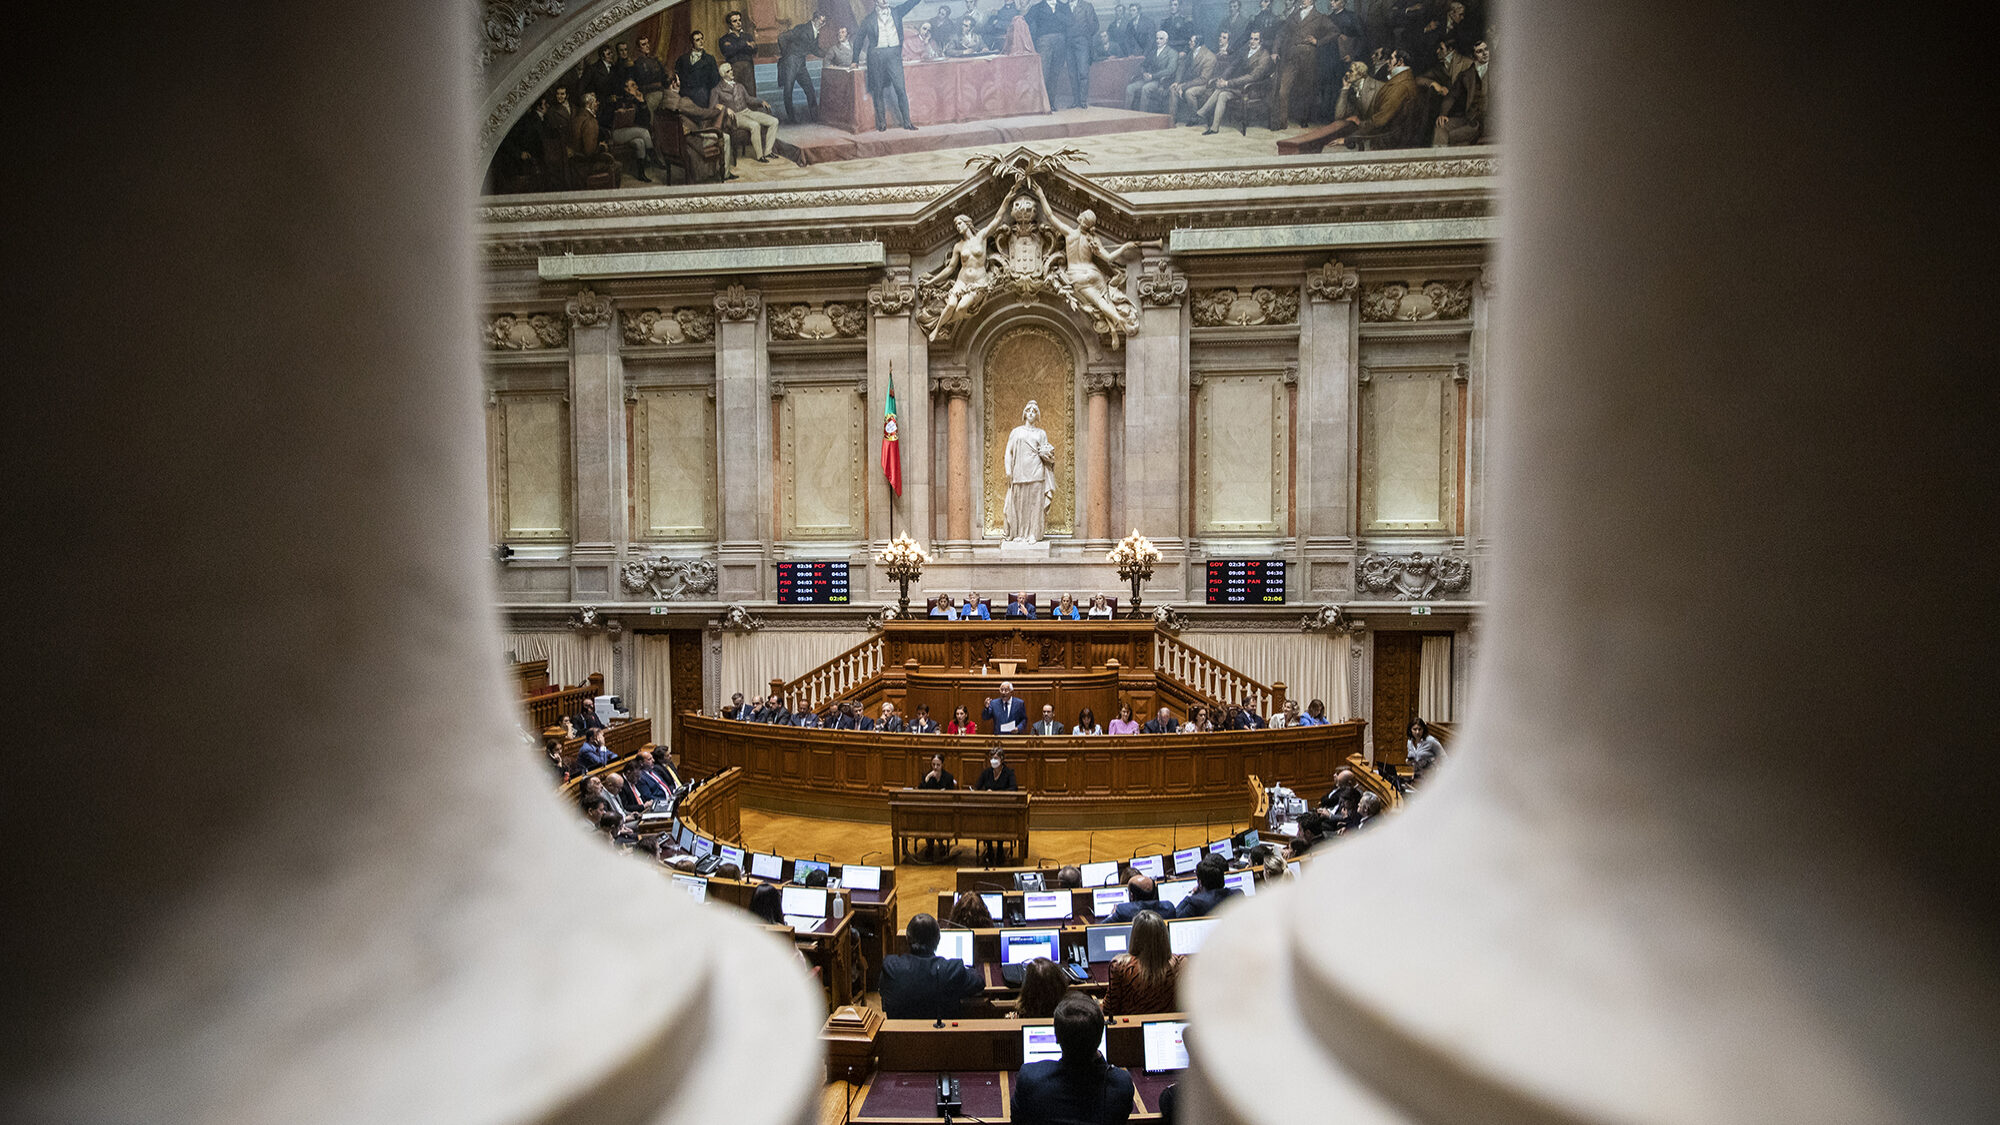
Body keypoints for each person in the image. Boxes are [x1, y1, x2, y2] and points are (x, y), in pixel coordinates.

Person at [1013, 993, 1134, 1125]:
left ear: (1057, 1038)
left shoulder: (1030, 1078)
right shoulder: (1121, 1084)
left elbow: (1017, 1120)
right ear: (1100, 1037)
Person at [879, 914, 984, 1019]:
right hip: (943, 1034)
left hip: (899, 1034)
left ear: (907, 939)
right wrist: (968, 970)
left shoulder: (891, 968)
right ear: (938, 939)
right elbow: (979, 982)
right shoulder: (951, 969)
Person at [857, 0, 924, 131]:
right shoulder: (868, 19)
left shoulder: (897, 12)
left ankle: (907, 122)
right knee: (878, 91)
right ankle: (882, 124)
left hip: (894, 55)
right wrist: (854, 59)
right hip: (876, 56)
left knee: (900, 89)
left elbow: (910, 4)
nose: (885, 0)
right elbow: (859, 38)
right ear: (876, 1)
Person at [1102, 910, 1184, 1016]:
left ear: (1135, 937)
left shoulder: (1120, 966)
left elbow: (1109, 1010)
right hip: (1169, 1028)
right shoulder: (1179, 965)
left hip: (1129, 1031)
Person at [1197, 27, 1270, 133]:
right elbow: (1233, 66)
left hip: (1253, 90)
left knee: (1221, 89)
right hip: (1240, 87)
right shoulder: (1246, 51)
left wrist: (1227, 83)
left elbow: (1252, 77)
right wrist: (1223, 78)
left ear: (1261, 41)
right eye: (1251, 38)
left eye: (1256, 39)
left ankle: (1200, 113)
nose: (1252, 41)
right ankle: (1214, 128)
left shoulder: (1264, 56)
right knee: (1222, 94)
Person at [711, 63, 781, 163]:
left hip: (747, 111)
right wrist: (725, 109)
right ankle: (760, 156)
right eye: (728, 71)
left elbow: (748, 99)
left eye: (731, 69)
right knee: (755, 125)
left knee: (774, 121)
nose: (731, 72)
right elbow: (713, 106)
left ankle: (768, 151)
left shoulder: (739, 86)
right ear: (723, 75)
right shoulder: (717, 90)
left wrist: (761, 101)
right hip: (735, 117)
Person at [775, 13, 828, 122]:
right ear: (815, 19)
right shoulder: (802, 28)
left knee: (810, 90)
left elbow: (815, 50)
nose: (823, 24)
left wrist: (828, 54)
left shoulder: (816, 32)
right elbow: (782, 37)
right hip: (791, 62)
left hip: (801, 64)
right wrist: (787, 55)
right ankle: (791, 119)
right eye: (821, 21)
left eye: (824, 22)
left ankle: (815, 118)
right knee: (788, 90)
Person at [1176, 853, 1241, 918]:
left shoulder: (1196, 903)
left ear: (1200, 883)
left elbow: (1176, 916)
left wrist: (1190, 896)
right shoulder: (1238, 894)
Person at [1127, 29, 1177, 111]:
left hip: (1160, 81)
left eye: (1161, 39)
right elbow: (1144, 64)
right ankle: (1127, 113)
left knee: (1146, 88)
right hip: (1148, 78)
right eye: (1157, 38)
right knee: (1130, 88)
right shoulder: (1153, 52)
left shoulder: (1172, 53)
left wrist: (1153, 76)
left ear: (1166, 40)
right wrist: (1144, 73)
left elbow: (1170, 70)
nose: (1158, 41)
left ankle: (1142, 115)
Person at [673, 30, 724, 108]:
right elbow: (677, 74)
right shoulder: (683, 59)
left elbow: (715, 80)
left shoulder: (709, 59)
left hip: (702, 94)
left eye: (702, 39)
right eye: (697, 40)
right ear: (692, 43)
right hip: (685, 93)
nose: (701, 42)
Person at [719, 11, 759, 94]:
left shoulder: (748, 36)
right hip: (733, 69)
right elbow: (727, 52)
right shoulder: (724, 39)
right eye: (735, 21)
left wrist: (734, 46)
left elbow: (754, 50)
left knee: (750, 92)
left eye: (739, 20)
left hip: (748, 68)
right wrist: (745, 44)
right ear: (729, 24)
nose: (738, 23)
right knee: (736, 94)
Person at [1108, 874, 1172, 922]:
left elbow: (1101, 927)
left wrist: (1112, 914)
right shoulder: (1168, 908)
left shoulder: (1123, 910)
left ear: (1132, 896)